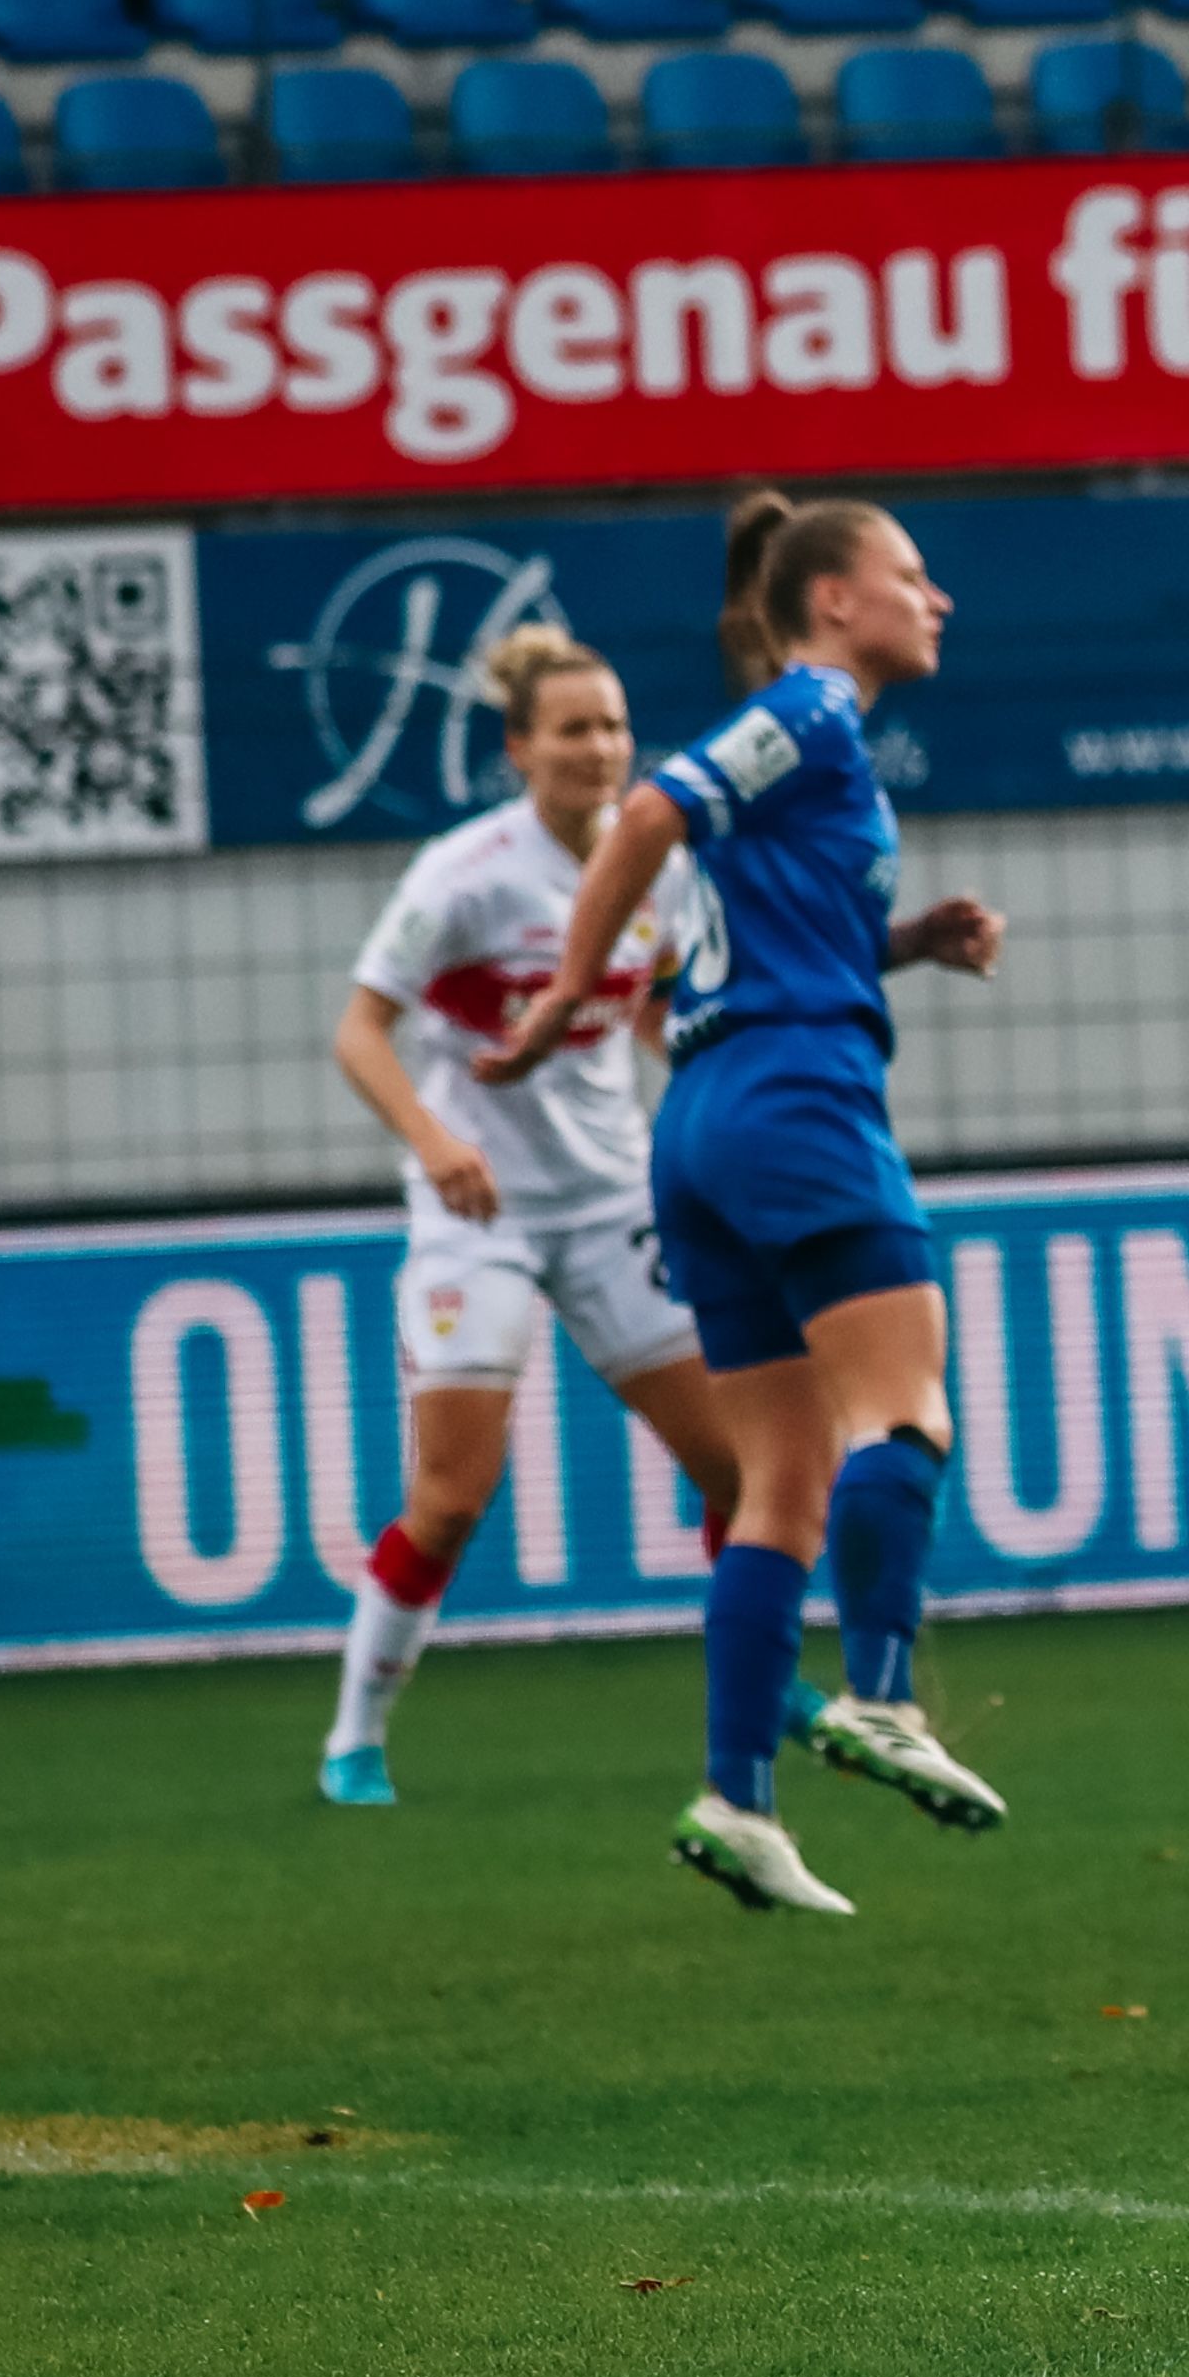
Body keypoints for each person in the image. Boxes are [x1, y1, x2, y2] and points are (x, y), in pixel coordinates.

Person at [479, 496, 1015, 1917]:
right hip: (796, 1103)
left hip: (704, 1117)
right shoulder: (818, 710)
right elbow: (652, 806)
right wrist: (555, 1011)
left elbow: (763, 934)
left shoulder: (821, 748)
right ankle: (889, 1694)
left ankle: (738, 1797)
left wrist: (904, 942)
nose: (936, 595)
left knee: (777, 1483)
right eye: (911, 572)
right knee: (904, 1409)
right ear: (834, 598)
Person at [316, 628, 753, 1809]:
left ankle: (757, 1693)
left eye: (613, 725)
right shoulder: (465, 876)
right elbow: (360, 1031)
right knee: (451, 1502)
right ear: (519, 749)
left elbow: (657, 1009)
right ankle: (355, 1737)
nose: (600, 748)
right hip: (482, 1219)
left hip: (615, 1203)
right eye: (573, 728)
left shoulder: (657, 865)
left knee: (737, 1471)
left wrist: (714, 1112)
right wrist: (436, 1140)